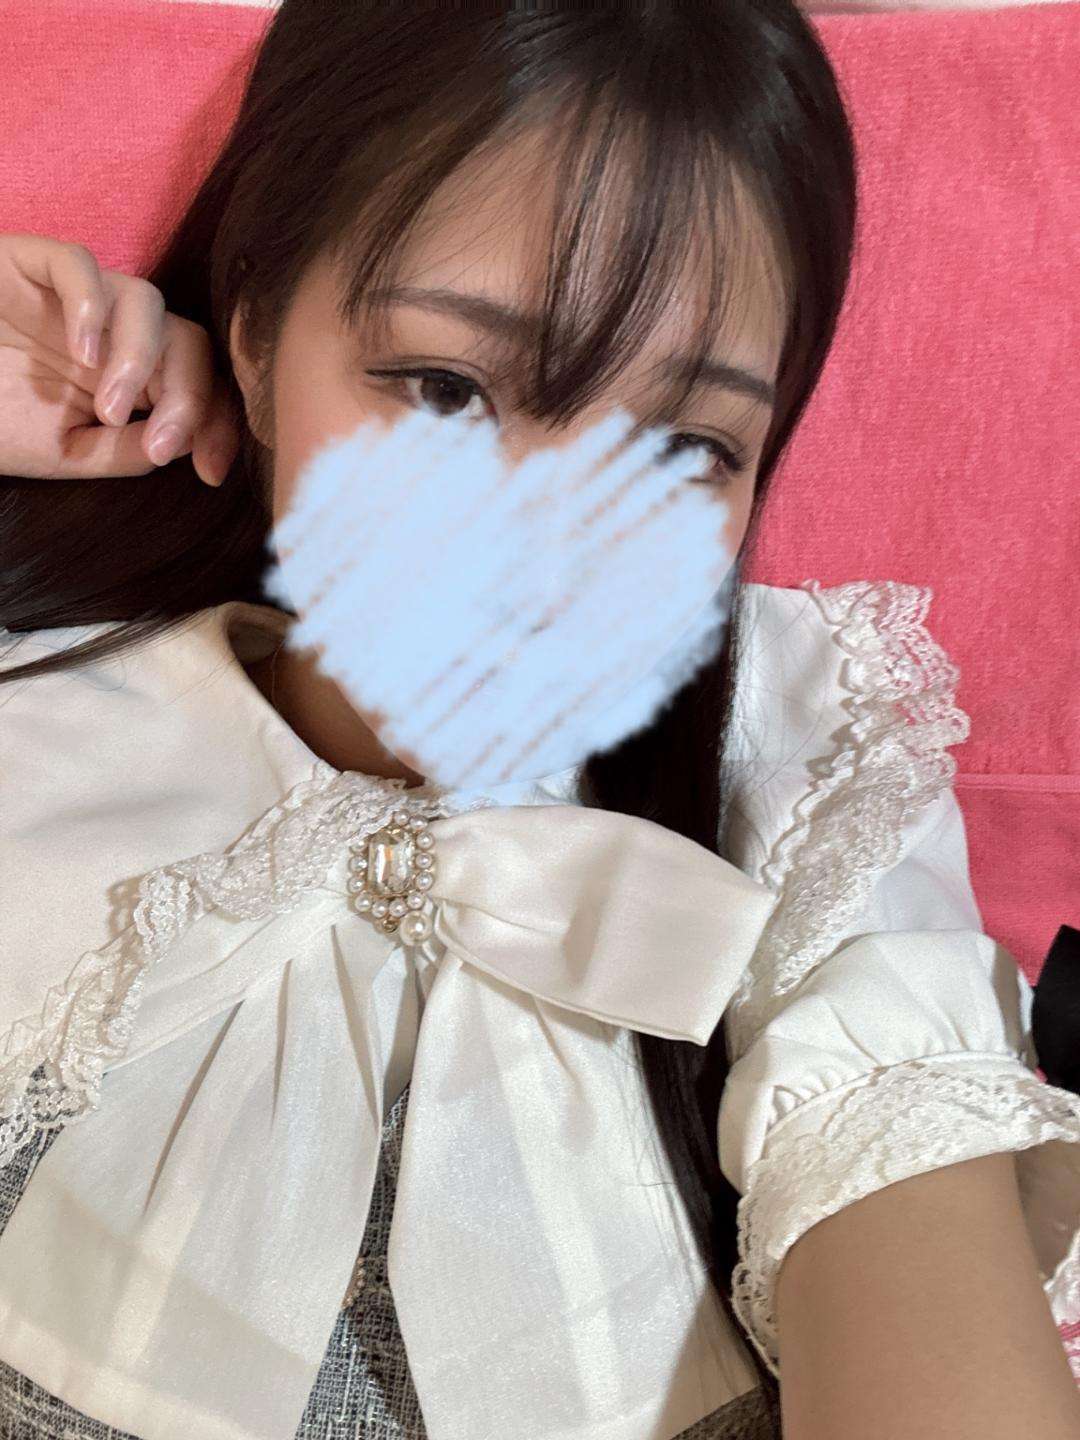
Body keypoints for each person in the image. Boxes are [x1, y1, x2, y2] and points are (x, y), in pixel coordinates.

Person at [1, 5, 1079, 1439]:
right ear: (254, 338)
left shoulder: (805, 759)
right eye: (448, 390)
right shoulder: (41, 708)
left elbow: (907, 1193)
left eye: (687, 449)